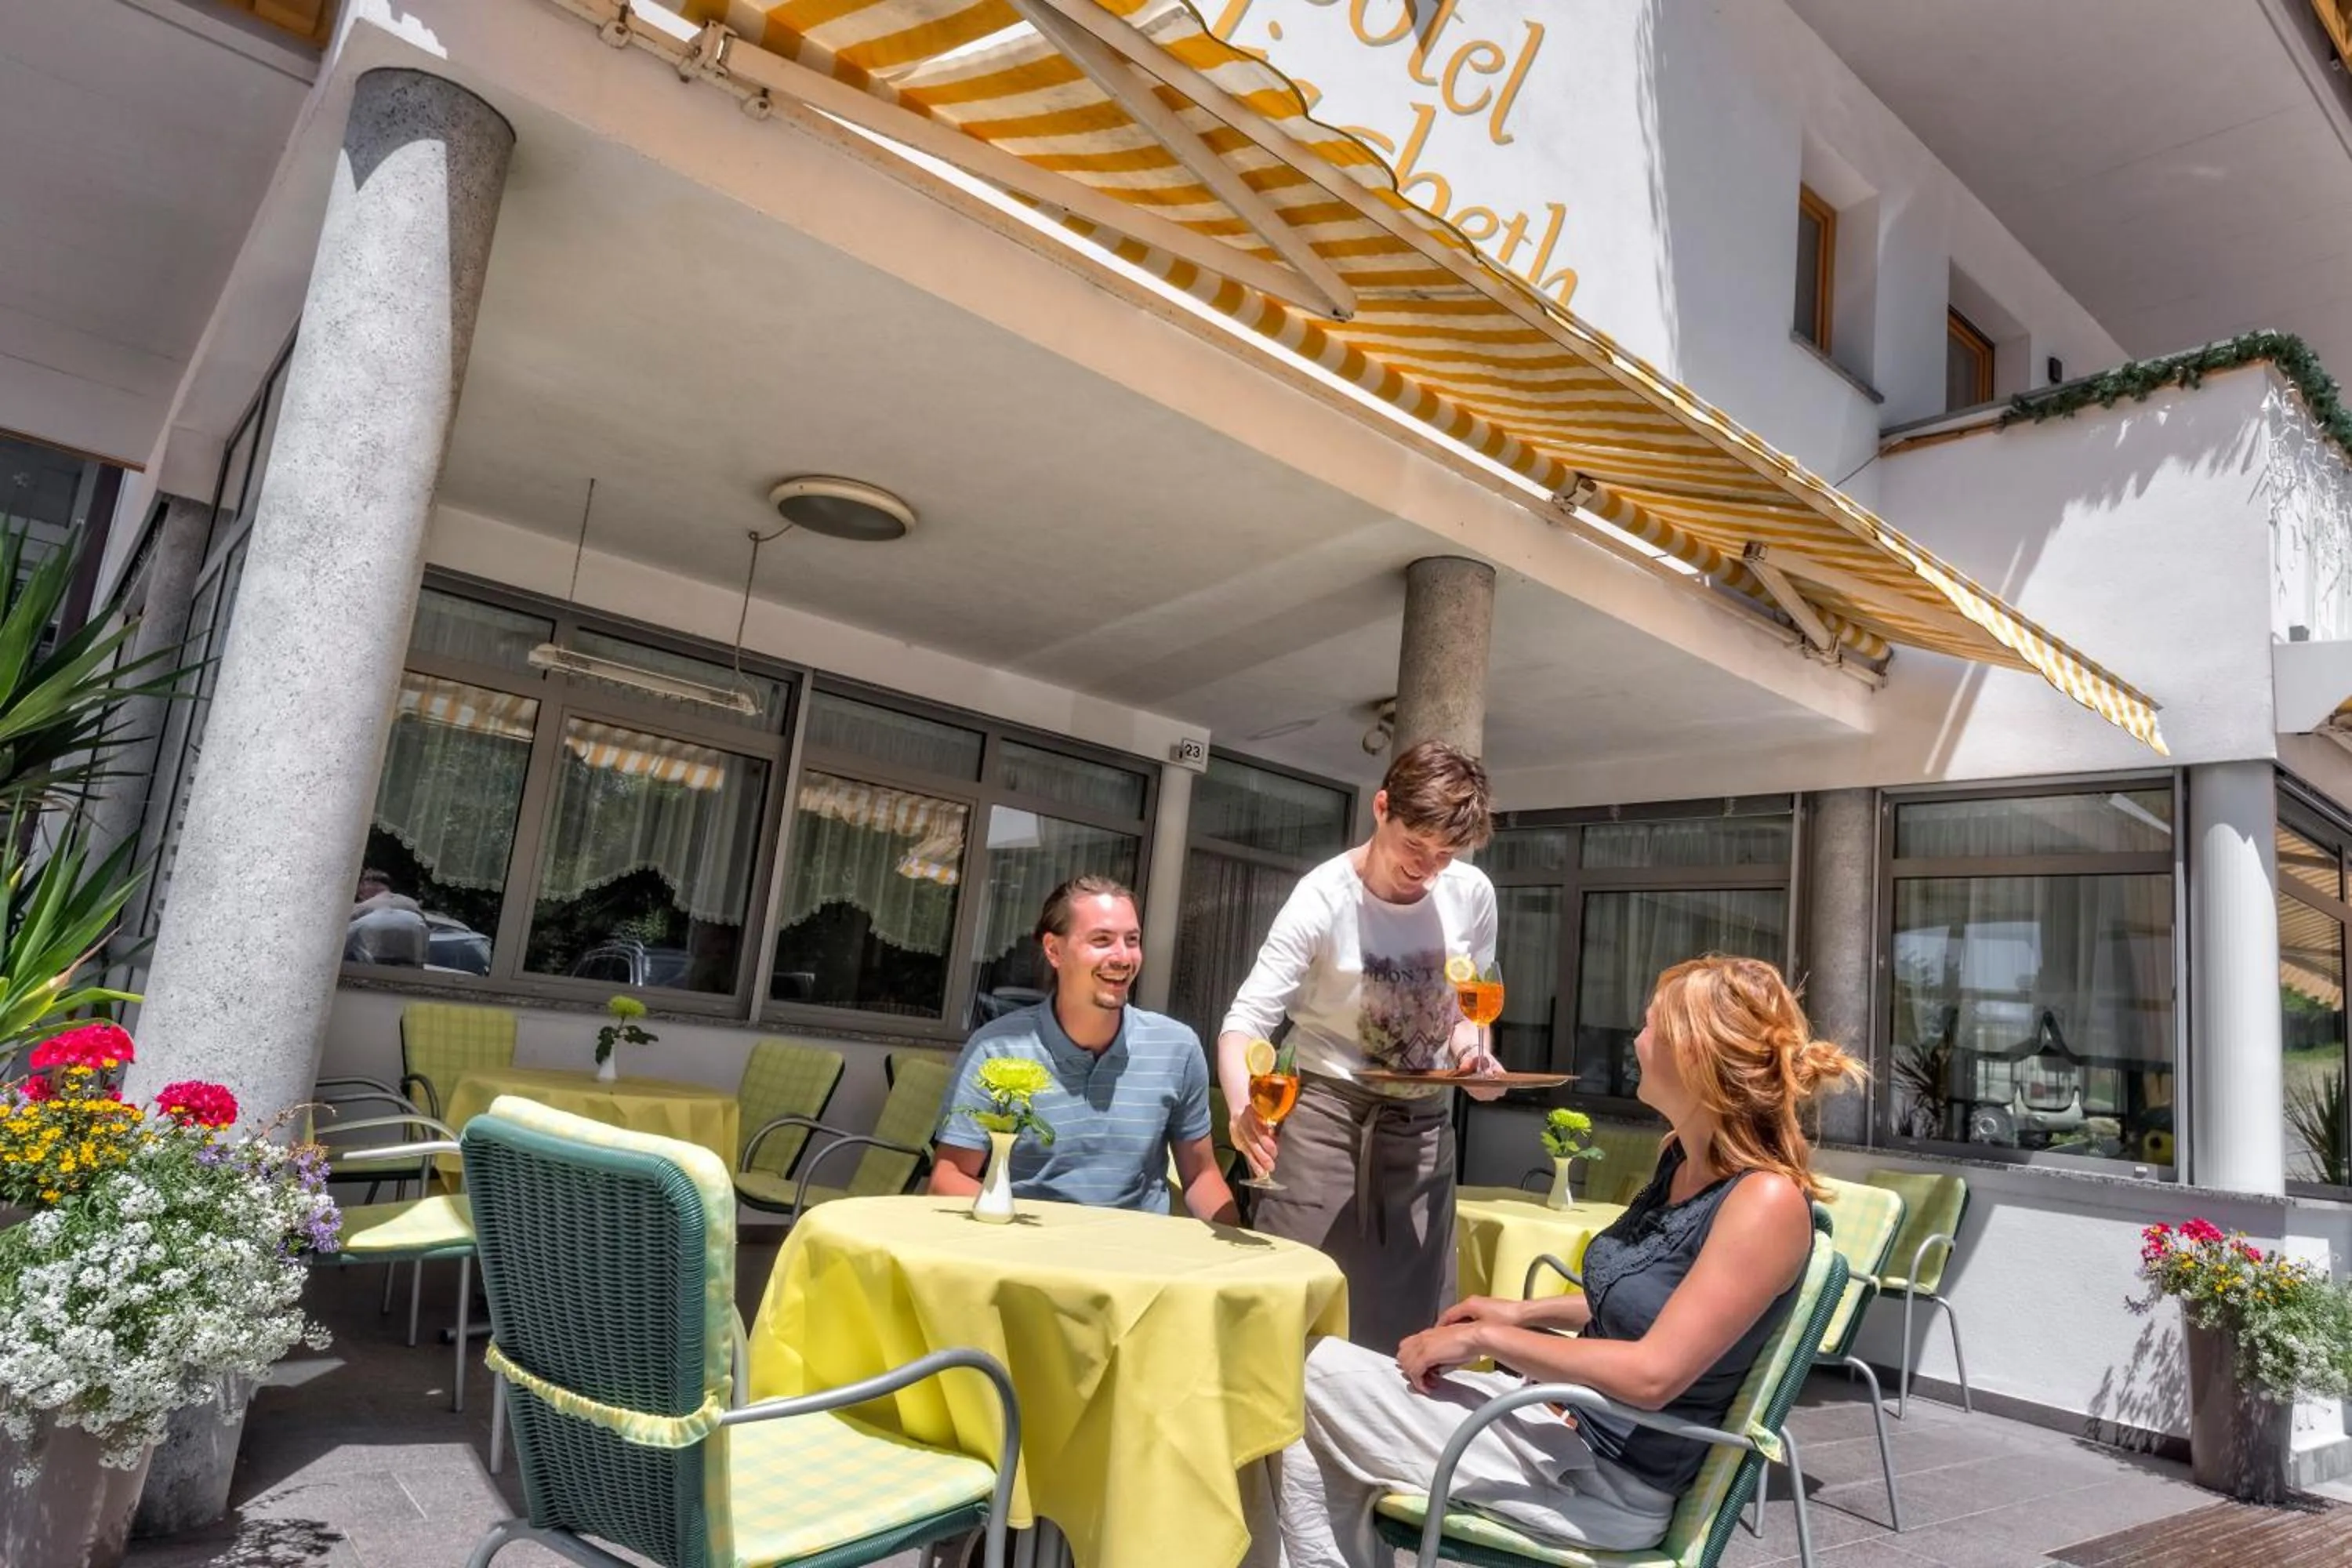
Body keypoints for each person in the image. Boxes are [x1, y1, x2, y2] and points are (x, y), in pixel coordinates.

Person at [1248, 956, 1866, 1566]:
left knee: (1313, 1380)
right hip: (1558, 1429)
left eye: (1651, 1027)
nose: (1636, 1039)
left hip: (1606, 1485)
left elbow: (1654, 1375)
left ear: (1694, 1053)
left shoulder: (1765, 1202)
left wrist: (1491, 1339)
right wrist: (1519, 1311)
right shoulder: (1685, 1161)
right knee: (1321, 1395)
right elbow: (1648, 1298)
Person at [1218, 739, 1504, 1354]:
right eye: (1414, 846)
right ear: (1381, 808)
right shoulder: (1323, 898)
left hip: (1425, 1129)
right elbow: (1245, 1021)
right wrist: (1245, 1113)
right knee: (1299, 1311)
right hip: (1326, 1123)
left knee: (1415, 1323)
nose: (1426, 869)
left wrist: (1473, 1055)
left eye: (1444, 856)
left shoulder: (1472, 895)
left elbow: (1467, 1009)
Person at [932, 875, 1239, 1223]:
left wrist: (1234, 1250)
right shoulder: (997, 1048)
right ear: (1054, 950)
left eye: (1132, 940)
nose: (1123, 957)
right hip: (1034, 1255)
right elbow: (948, 1176)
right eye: (1102, 940)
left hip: (1138, 1260)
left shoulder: (1177, 1048)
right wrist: (1023, 1229)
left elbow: (1200, 1177)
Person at [346, 867, 428, 966]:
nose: (360, 895)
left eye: (361, 890)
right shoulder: (411, 903)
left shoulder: (364, 906)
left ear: (367, 884)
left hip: (374, 966)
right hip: (412, 965)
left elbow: (345, 935)